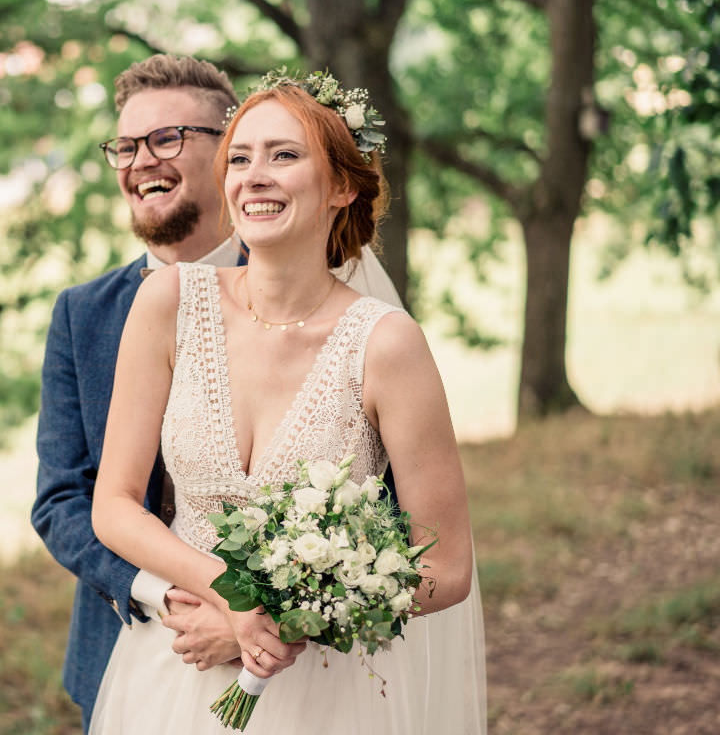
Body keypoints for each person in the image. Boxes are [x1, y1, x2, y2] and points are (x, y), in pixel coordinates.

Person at [89, 71, 487, 733]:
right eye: (240, 159)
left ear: (341, 185)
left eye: (284, 155)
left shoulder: (386, 346)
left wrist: (288, 611)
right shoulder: (167, 305)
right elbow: (114, 505)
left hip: (322, 693)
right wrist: (230, 597)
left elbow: (446, 567)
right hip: (172, 671)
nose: (254, 176)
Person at [31, 55, 404, 731]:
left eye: (167, 138)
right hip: (136, 652)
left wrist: (279, 617)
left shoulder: (338, 310)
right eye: (126, 145)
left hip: (305, 671)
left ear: (224, 150)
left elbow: (393, 512)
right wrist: (175, 599)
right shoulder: (82, 313)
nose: (142, 160)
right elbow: (62, 499)